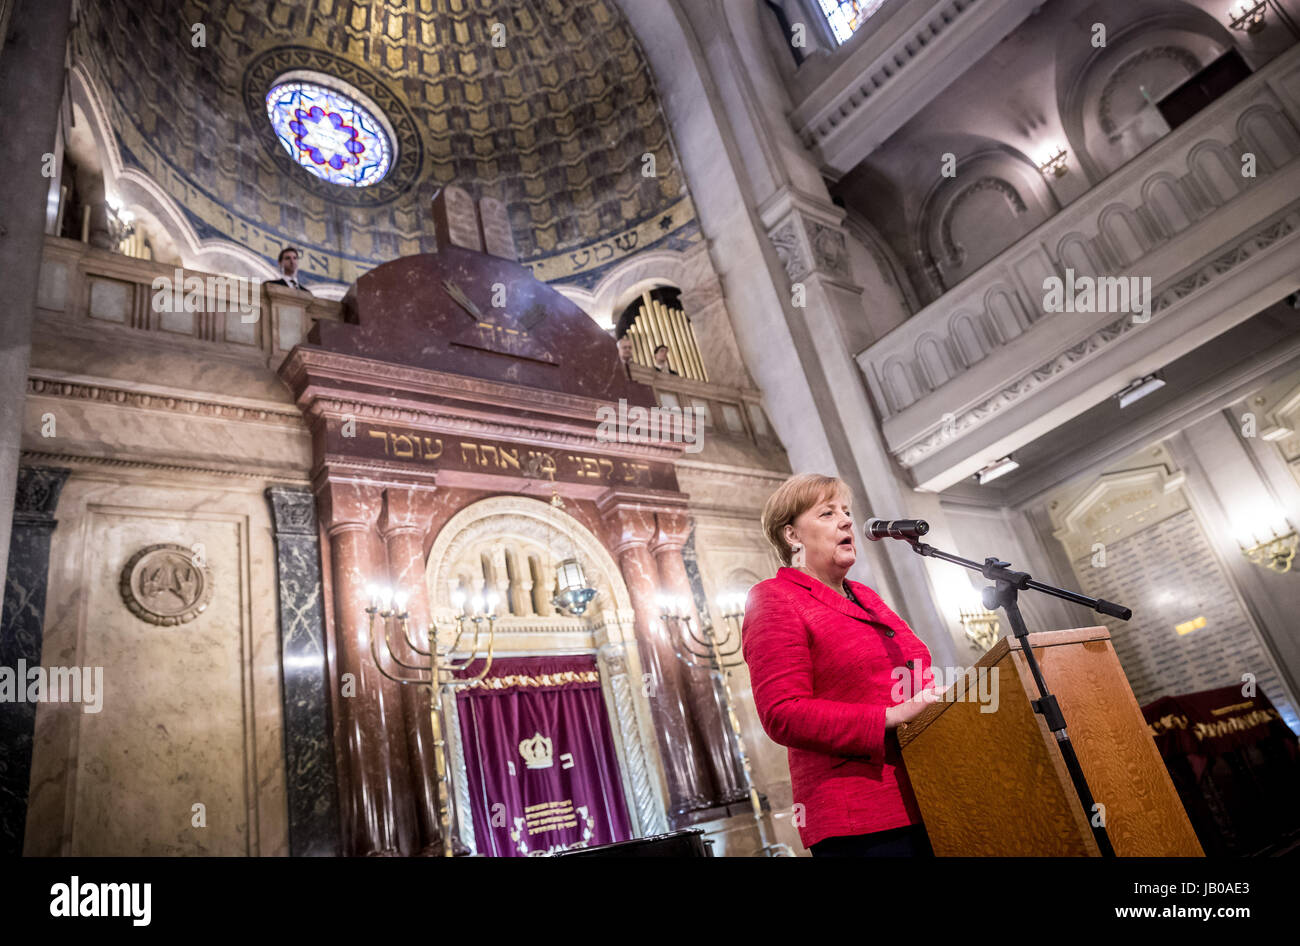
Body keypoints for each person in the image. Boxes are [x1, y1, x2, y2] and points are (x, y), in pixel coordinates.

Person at [741, 472, 947, 857]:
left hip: (928, 791)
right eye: (827, 513)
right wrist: (890, 715)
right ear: (792, 536)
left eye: (847, 511)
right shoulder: (774, 599)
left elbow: (912, 670)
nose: (847, 520)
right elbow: (782, 713)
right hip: (859, 817)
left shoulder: (865, 595)